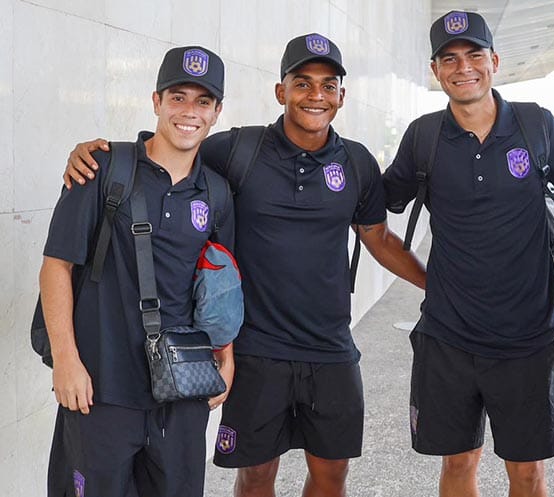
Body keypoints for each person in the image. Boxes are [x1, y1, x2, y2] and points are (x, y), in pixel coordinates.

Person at [64, 33, 426, 497]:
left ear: (342, 95)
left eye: (328, 85)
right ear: (281, 91)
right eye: (302, 83)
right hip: (257, 350)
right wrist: (97, 154)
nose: (315, 95)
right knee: (255, 476)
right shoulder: (238, 150)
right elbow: (174, 145)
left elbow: (379, 239)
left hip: (330, 347)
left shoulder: (357, 163)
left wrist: (434, 284)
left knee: (333, 474)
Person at [382, 11, 554, 497]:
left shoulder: (536, 125)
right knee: (458, 463)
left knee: (527, 472)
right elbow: (373, 209)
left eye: (474, 55)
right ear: (435, 70)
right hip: (449, 336)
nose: (463, 67)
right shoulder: (424, 136)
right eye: (449, 59)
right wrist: (429, 281)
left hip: (526, 338)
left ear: (494, 61)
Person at [40, 46, 234, 497]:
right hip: (100, 388)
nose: (189, 112)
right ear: (156, 101)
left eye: (203, 101)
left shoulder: (217, 193)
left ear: (217, 112)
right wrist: (65, 361)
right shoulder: (104, 168)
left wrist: (228, 358)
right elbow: (56, 266)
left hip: (182, 392)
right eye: (178, 97)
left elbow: (221, 285)